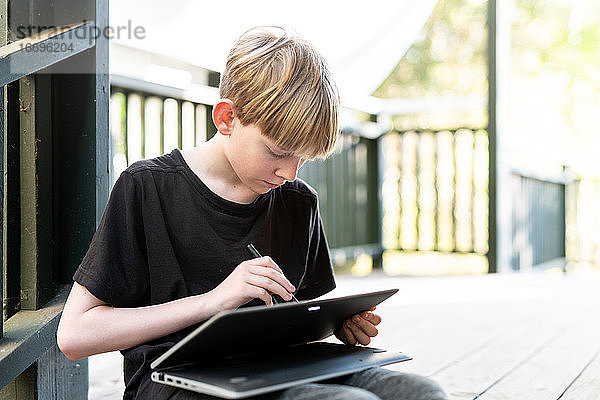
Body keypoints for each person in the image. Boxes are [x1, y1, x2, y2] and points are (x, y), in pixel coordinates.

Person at [57, 26, 447, 400]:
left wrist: (340, 325)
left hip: (283, 366)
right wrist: (213, 301)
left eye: (304, 158)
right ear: (226, 118)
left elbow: (299, 324)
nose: (289, 173)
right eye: (278, 152)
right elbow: (75, 336)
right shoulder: (148, 187)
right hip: (184, 382)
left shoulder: (298, 200)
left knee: (421, 393)